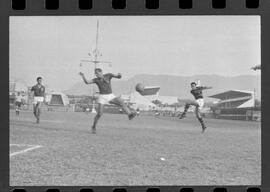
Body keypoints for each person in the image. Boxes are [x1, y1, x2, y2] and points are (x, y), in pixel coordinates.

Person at [79, 68, 137, 134]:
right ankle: (93, 127)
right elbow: (87, 82)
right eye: (95, 74)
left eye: (97, 73)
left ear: (101, 72)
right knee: (99, 114)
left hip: (110, 95)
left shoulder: (108, 75)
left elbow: (118, 77)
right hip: (102, 97)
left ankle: (130, 115)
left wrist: (119, 75)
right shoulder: (96, 80)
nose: (96, 75)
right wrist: (83, 76)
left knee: (121, 102)